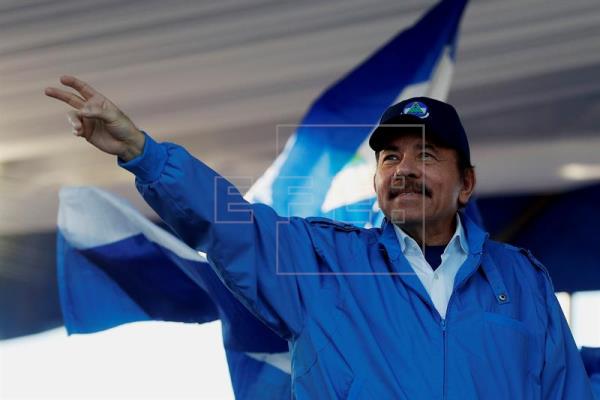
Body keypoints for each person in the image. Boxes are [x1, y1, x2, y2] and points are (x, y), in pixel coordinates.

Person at [45, 75, 594, 399]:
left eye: (426, 155)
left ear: (466, 184)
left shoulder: (521, 279)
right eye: (390, 157)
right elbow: (230, 224)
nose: (404, 169)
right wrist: (144, 154)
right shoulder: (321, 263)